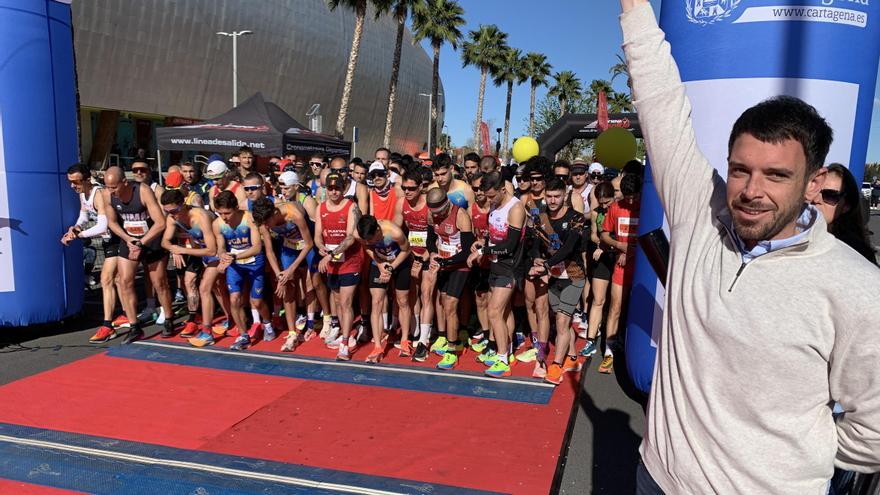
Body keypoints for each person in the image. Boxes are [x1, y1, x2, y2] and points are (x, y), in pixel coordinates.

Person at [619, 1, 880, 493]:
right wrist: (634, 9)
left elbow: (874, 431)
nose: (751, 189)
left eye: (777, 175)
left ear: (812, 182)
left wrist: (790, 451)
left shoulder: (858, 287)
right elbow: (659, 99)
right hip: (657, 479)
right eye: (741, 169)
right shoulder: (704, 219)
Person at [103, 166, 174, 343]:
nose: (111, 191)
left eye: (114, 187)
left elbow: (160, 223)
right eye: (108, 187)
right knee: (124, 281)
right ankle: (134, 326)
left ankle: (169, 318)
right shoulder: (107, 195)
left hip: (151, 239)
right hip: (129, 239)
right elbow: (111, 222)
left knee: (159, 282)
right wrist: (128, 239)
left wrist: (142, 243)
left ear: (124, 182)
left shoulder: (142, 191)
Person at [527, 178, 587, 385]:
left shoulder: (576, 218)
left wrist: (545, 265)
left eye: (557, 196)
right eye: (549, 196)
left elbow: (569, 248)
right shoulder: (540, 218)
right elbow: (534, 243)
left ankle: (556, 365)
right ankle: (571, 357)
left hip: (574, 276)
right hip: (553, 277)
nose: (552, 200)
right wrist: (536, 257)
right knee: (563, 320)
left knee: (562, 321)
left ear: (565, 196)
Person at [472, 171, 526, 378]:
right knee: (504, 312)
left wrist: (484, 251)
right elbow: (493, 237)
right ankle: (508, 350)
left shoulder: (516, 207)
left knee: (493, 311)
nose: (489, 200)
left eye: (493, 196)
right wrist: (482, 245)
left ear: (503, 190)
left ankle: (502, 358)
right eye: (487, 196)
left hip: (510, 266)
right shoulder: (494, 205)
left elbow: (511, 245)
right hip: (496, 265)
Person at [159, 188, 231, 346]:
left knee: (205, 287)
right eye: (167, 211)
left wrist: (182, 250)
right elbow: (165, 241)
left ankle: (207, 332)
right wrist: (174, 250)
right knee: (217, 287)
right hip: (202, 251)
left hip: (221, 250)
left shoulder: (201, 217)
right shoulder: (172, 217)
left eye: (175, 210)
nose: (172, 214)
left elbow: (213, 249)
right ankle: (231, 319)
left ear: (183, 204)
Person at [61, 164, 122, 343]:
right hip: (109, 240)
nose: (73, 186)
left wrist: (80, 235)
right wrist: (75, 227)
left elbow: (104, 225)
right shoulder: (83, 194)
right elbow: (84, 216)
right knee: (120, 281)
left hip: (119, 238)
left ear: (87, 179)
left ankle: (108, 325)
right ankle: (128, 316)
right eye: (70, 182)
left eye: (76, 182)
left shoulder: (100, 194)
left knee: (107, 279)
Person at [213, 191, 275, 351]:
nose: (224, 217)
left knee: (257, 302)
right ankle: (243, 335)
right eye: (220, 213)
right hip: (235, 265)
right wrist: (223, 256)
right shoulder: (217, 224)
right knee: (234, 299)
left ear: (236, 208)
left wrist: (234, 256)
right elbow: (220, 247)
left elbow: (256, 247)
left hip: (254, 263)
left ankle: (267, 323)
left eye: (227, 213)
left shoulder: (249, 218)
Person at [251, 195, 315, 351]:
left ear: (274, 213)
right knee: (287, 287)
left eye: (267, 222)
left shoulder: (294, 215)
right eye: (263, 224)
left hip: (306, 244)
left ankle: (314, 322)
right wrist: (279, 274)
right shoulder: (264, 222)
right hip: (288, 246)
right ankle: (292, 332)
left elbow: (308, 244)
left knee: (313, 282)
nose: (266, 226)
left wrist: (290, 269)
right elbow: (270, 252)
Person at [314, 173, 364, 361]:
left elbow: (351, 237)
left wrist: (331, 255)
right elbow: (318, 234)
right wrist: (321, 248)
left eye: (337, 188)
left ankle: (344, 343)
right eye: (330, 188)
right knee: (337, 301)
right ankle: (346, 332)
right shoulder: (321, 207)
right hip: (331, 260)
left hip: (350, 260)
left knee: (345, 302)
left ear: (344, 189)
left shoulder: (352, 207)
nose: (334, 191)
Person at [424, 187, 473, 370]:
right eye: (433, 213)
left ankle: (452, 352)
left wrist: (446, 262)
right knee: (444, 302)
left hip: (460, 265)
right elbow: (430, 239)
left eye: (439, 212)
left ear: (446, 204)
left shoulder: (460, 215)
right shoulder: (431, 215)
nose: (436, 216)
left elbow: (468, 251)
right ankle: (452, 338)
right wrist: (432, 254)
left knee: (451, 304)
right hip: (444, 262)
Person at [597, 173, 641, 374]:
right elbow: (604, 234)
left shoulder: (647, 206)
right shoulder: (616, 207)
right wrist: (619, 245)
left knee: (636, 310)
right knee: (615, 307)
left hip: (641, 267)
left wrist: (630, 250)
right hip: (621, 266)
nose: (631, 200)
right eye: (628, 196)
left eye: (635, 196)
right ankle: (608, 353)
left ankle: (631, 349)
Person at [354, 215, 412, 363]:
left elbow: (406, 250)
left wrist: (391, 268)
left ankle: (405, 340)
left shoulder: (394, 232)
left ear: (378, 230)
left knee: (402, 300)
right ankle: (378, 346)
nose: (370, 242)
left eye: (373, 239)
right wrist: (380, 265)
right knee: (376, 303)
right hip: (379, 263)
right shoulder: (359, 234)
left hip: (400, 263)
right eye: (367, 239)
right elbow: (366, 247)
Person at [394, 170, 431, 359]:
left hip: (429, 254)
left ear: (421, 187)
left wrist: (427, 254)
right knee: (412, 294)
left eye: (411, 188)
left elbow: (439, 234)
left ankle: (425, 339)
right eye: (404, 188)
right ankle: (415, 332)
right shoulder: (401, 203)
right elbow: (395, 230)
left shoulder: (429, 204)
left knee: (427, 294)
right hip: (411, 254)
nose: (407, 192)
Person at [810, 163, 877, 264]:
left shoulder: (857, 253)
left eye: (830, 195)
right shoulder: (790, 236)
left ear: (846, 206)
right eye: (814, 191)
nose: (816, 199)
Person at [580, 181, 616, 358]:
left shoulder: (620, 211)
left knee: (614, 303)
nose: (603, 206)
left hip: (617, 258)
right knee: (598, 300)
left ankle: (613, 339)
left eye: (606, 202)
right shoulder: (596, 213)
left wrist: (609, 245)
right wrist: (600, 243)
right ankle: (591, 340)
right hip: (601, 257)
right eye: (600, 203)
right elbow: (594, 233)